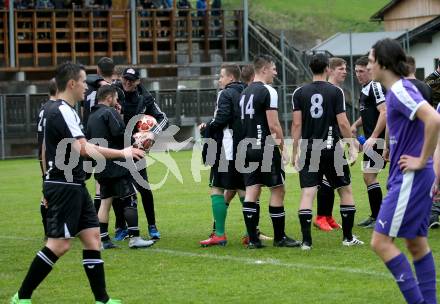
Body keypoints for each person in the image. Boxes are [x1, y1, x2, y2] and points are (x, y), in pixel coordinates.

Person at [10, 62, 144, 304]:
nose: (86, 87)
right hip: (64, 185)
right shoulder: (62, 110)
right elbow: (83, 149)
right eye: (83, 82)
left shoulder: (55, 108)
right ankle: (22, 296)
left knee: (93, 238)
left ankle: (102, 300)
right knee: (59, 245)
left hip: (73, 184)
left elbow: (62, 148)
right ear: (71, 83)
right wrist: (122, 153)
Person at [369, 38, 439, 304]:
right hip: (414, 176)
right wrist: (390, 147)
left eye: (371, 60)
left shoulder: (399, 89)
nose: (368, 65)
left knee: (380, 242)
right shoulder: (398, 90)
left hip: (411, 177)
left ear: (384, 63)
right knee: (416, 243)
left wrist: (421, 159)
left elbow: (433, 119)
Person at [291, 53, 363, 250]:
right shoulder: (335, 92)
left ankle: (306, 242)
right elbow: (342, 122)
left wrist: (295, 151)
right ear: (327, 69)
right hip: (331, 148)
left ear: (310, 69)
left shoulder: (299, 92)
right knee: (345, 190)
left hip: (308, 149)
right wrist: (352, 145)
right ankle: (348, 238)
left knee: (308, 193)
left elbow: (297, 124)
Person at [239, 54, 301, 249]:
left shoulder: (244, 92)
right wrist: (283, 148)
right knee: (278, 189)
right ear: (264, 69)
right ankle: (279, 237)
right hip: (265, 147)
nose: (276, 72)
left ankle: (254, 240)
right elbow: (273, 125)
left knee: (252, 191)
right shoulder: (268, 91)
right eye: (273, 68)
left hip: (247, 147)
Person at [86, 85, 154, 249]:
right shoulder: (110, 112)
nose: (117, 102)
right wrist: (139, 140)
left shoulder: (91, 116)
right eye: (116, 98)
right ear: (109, 98)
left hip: (101, 165)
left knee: (105, 202)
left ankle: (103, 240)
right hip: (116, 163)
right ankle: (135, 238)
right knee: (130, 198)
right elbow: (121, 133)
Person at [116, 67, 168, 240]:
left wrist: (152, 133)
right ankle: (121, 228)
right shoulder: (114, 92)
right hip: (116, 148)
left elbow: (163, 118)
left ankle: (152, 226)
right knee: (118, 190)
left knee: (144, 188)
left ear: (138, 81)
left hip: (136, 149)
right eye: (125, 79)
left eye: (131, 79)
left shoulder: (145, 97)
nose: (127, 82)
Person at [198, 64, 245, 246]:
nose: (219, 80)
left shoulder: (225, 93)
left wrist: (207, 128)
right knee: (242, 189)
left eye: (222, 76)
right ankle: (251, 232)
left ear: (231, 78)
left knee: (216, 188)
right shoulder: (246, 91)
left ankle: (219, 234)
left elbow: (222, 118)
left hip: (227, 149)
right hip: (243, 147)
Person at [350, 56, 387, 229]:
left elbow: (384, 111)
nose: (358, 75)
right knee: (369, 176)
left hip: (379, 140)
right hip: (373, 140)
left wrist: (374, 136)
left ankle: (378, 217)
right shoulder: (366, 89)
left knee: (369, 176)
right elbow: (368, 112)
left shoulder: (375, 86)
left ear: (370, 70)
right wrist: (356, 124)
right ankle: (376, 216)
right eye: (356, 71)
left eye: (361, 71)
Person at [314, 57, 347, 232]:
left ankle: (327, 215)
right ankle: (320, 216)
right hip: (324, 141)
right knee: (327, 180)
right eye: (341, 68)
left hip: (334, 139)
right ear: (330, 70)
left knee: (333, 180)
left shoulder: (337, 90)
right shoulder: (331, 91)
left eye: (345, 68)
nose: (345, 72)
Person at [36, 78, 58, 238]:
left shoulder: (44, 108)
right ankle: (48, 231)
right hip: (50, 156)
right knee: (48, 195)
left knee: (50, 194)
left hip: (45, 156)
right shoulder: (54, 109)